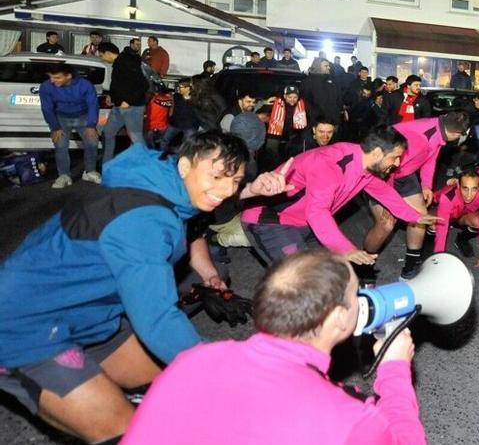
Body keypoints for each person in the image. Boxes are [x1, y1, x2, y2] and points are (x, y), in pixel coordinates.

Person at [0, 133, 288, 443]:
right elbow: (157, 319)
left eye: (235, 180)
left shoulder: (155, 178)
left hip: (88, 314)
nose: (226, 189)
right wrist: (223, 363)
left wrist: (250, 190)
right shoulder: (145, 219)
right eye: (218, 176)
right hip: (25, 327)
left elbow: (210, 196)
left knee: (173, 383)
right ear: (185, 166)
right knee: (130, 431)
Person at [123, 249, 426, 444]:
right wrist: (395, 371)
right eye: (354, 295)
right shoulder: (345, 419)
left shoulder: (193, 360)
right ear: (337, 317)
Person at [241, 125, 438, 266]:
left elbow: (383, 191)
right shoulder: (330, 164)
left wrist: (415, 216)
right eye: (394, 157)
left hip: (303, 223)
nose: (396, 164)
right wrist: (346, 249)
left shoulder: (361, 161)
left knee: (332, 276)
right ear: (378, 153)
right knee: (302, 282)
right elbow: (318, 213)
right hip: (271, 222)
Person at [368, 113, 471, 278]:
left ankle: (409, 268)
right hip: (383, 174)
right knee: (386, 224)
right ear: (456, 134)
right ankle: (363, 266)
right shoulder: (420, 139)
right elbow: (391, 166)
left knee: (420, 217)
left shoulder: (438, 128)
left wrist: (426, 186)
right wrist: (391, 203)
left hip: (405, 173)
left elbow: (430, 159)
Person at [40, 64, 101, 188]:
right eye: (51, 77)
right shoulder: (46, 86)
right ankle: (64, 175)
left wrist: (91, 124)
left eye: (57, 78)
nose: (52, 81)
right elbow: (47, 108)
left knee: (92, 143)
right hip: (60, 117)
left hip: (83, 116)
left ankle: (89, 171)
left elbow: (92, 105)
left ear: (68, 76)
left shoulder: (85, 85)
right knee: (60, 145)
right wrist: (55, 127)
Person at [98, 41, 149, 165]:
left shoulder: (125, 62)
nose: (101, 58)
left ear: (108, 53)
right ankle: (107, 163)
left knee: (136, 138)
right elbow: (119, 84)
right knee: (108, 133)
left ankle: (147, 167)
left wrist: (129, 101)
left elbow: (143, 84)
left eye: (101, 55)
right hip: (119, 106)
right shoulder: (119, 63)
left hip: (132, 107)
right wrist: (112, 95)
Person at [432, 171, 479, 271]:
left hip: (462, 216)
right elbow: (442, 230)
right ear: (458, 185)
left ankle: (461, 239)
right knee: (432, 227)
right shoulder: (447, 197)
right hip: (441, 211)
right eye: (465, 188)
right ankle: (426, 253)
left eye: (474, 189)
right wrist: (438, 260)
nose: (469, 195)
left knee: (478, 222)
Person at [265, 85, 308, 166]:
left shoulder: (302, 104)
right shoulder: (275, 103)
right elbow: (262, 112)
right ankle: (274, 166)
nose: (292, 99)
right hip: (276, 133)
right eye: (290, 97)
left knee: (297, 146)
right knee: (271, 147)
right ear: (285, 96)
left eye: (295, 97)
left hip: (294, 132)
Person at [301, 58, 342, 126]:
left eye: (328, 66)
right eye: (326, 66)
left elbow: (338, 98)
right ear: (318, 66)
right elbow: (305, 101)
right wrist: (314, 116)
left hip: (333, 121)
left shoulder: (332, 81)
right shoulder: (308, 82)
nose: (329, 68)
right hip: (316, 122)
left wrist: (338, 112)